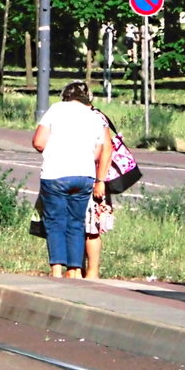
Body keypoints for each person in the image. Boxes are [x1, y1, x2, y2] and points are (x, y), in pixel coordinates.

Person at [32, 80, 112, 278]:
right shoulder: (95, 116)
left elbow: (39, 142)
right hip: (84, 176)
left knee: (55, 222)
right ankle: (75, 269)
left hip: (56, 174)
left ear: (65, 96)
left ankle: (56, 270)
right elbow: (98, 152)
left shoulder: (56, 109)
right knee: (76, 223)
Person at [84, 111, 116, 279]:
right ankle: (77, 269)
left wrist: (100, 180)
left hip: (95, 178)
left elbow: (107, 149)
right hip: (83, 176)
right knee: (79, 228)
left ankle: (92, 272)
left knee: (92, 228)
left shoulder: (97, 117)